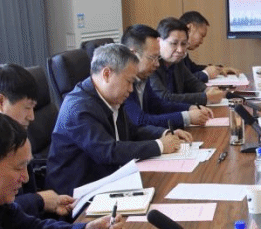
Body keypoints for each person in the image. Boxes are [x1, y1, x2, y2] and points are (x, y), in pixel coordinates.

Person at [46, 43, 186, 195]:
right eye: (129, 81)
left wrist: (164, 134)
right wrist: (160, 146)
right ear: (107, 74)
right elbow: (108, 151)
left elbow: (133, 131)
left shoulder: (109, 97)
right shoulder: (78, 108)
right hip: (76, 195)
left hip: (109, 180)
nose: (131, 89)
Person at [0, 62, 74, 218]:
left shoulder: (14, 134)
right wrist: (39, 200)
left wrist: (50, 201)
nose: (31, 117)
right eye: (27, 107)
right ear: (1, 102)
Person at [120, 23, 213, 130]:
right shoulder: (122, 83)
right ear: (133, 55)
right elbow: (140, 121)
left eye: (158, 58)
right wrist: (186, 117)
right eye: (152, 58)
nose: (157, 64)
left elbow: (158, 105)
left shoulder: (143, 77)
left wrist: (190, 108)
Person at [150, 17, 226, 107]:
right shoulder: (151, 64)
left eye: (183, 44)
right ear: (159, 41)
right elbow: (163, 98)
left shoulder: (177, 61)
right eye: (174, 43)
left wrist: (208, 90)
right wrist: (205, 97)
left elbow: (192, 83)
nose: (180, 50)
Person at [179, 10, 239, 82]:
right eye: (202, 35)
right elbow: (182, 82)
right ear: (189, 28)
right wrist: (206, 74)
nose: (202, 41)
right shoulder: (174, 54)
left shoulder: (183, 52)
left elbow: (193, 69)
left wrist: (218, 69)